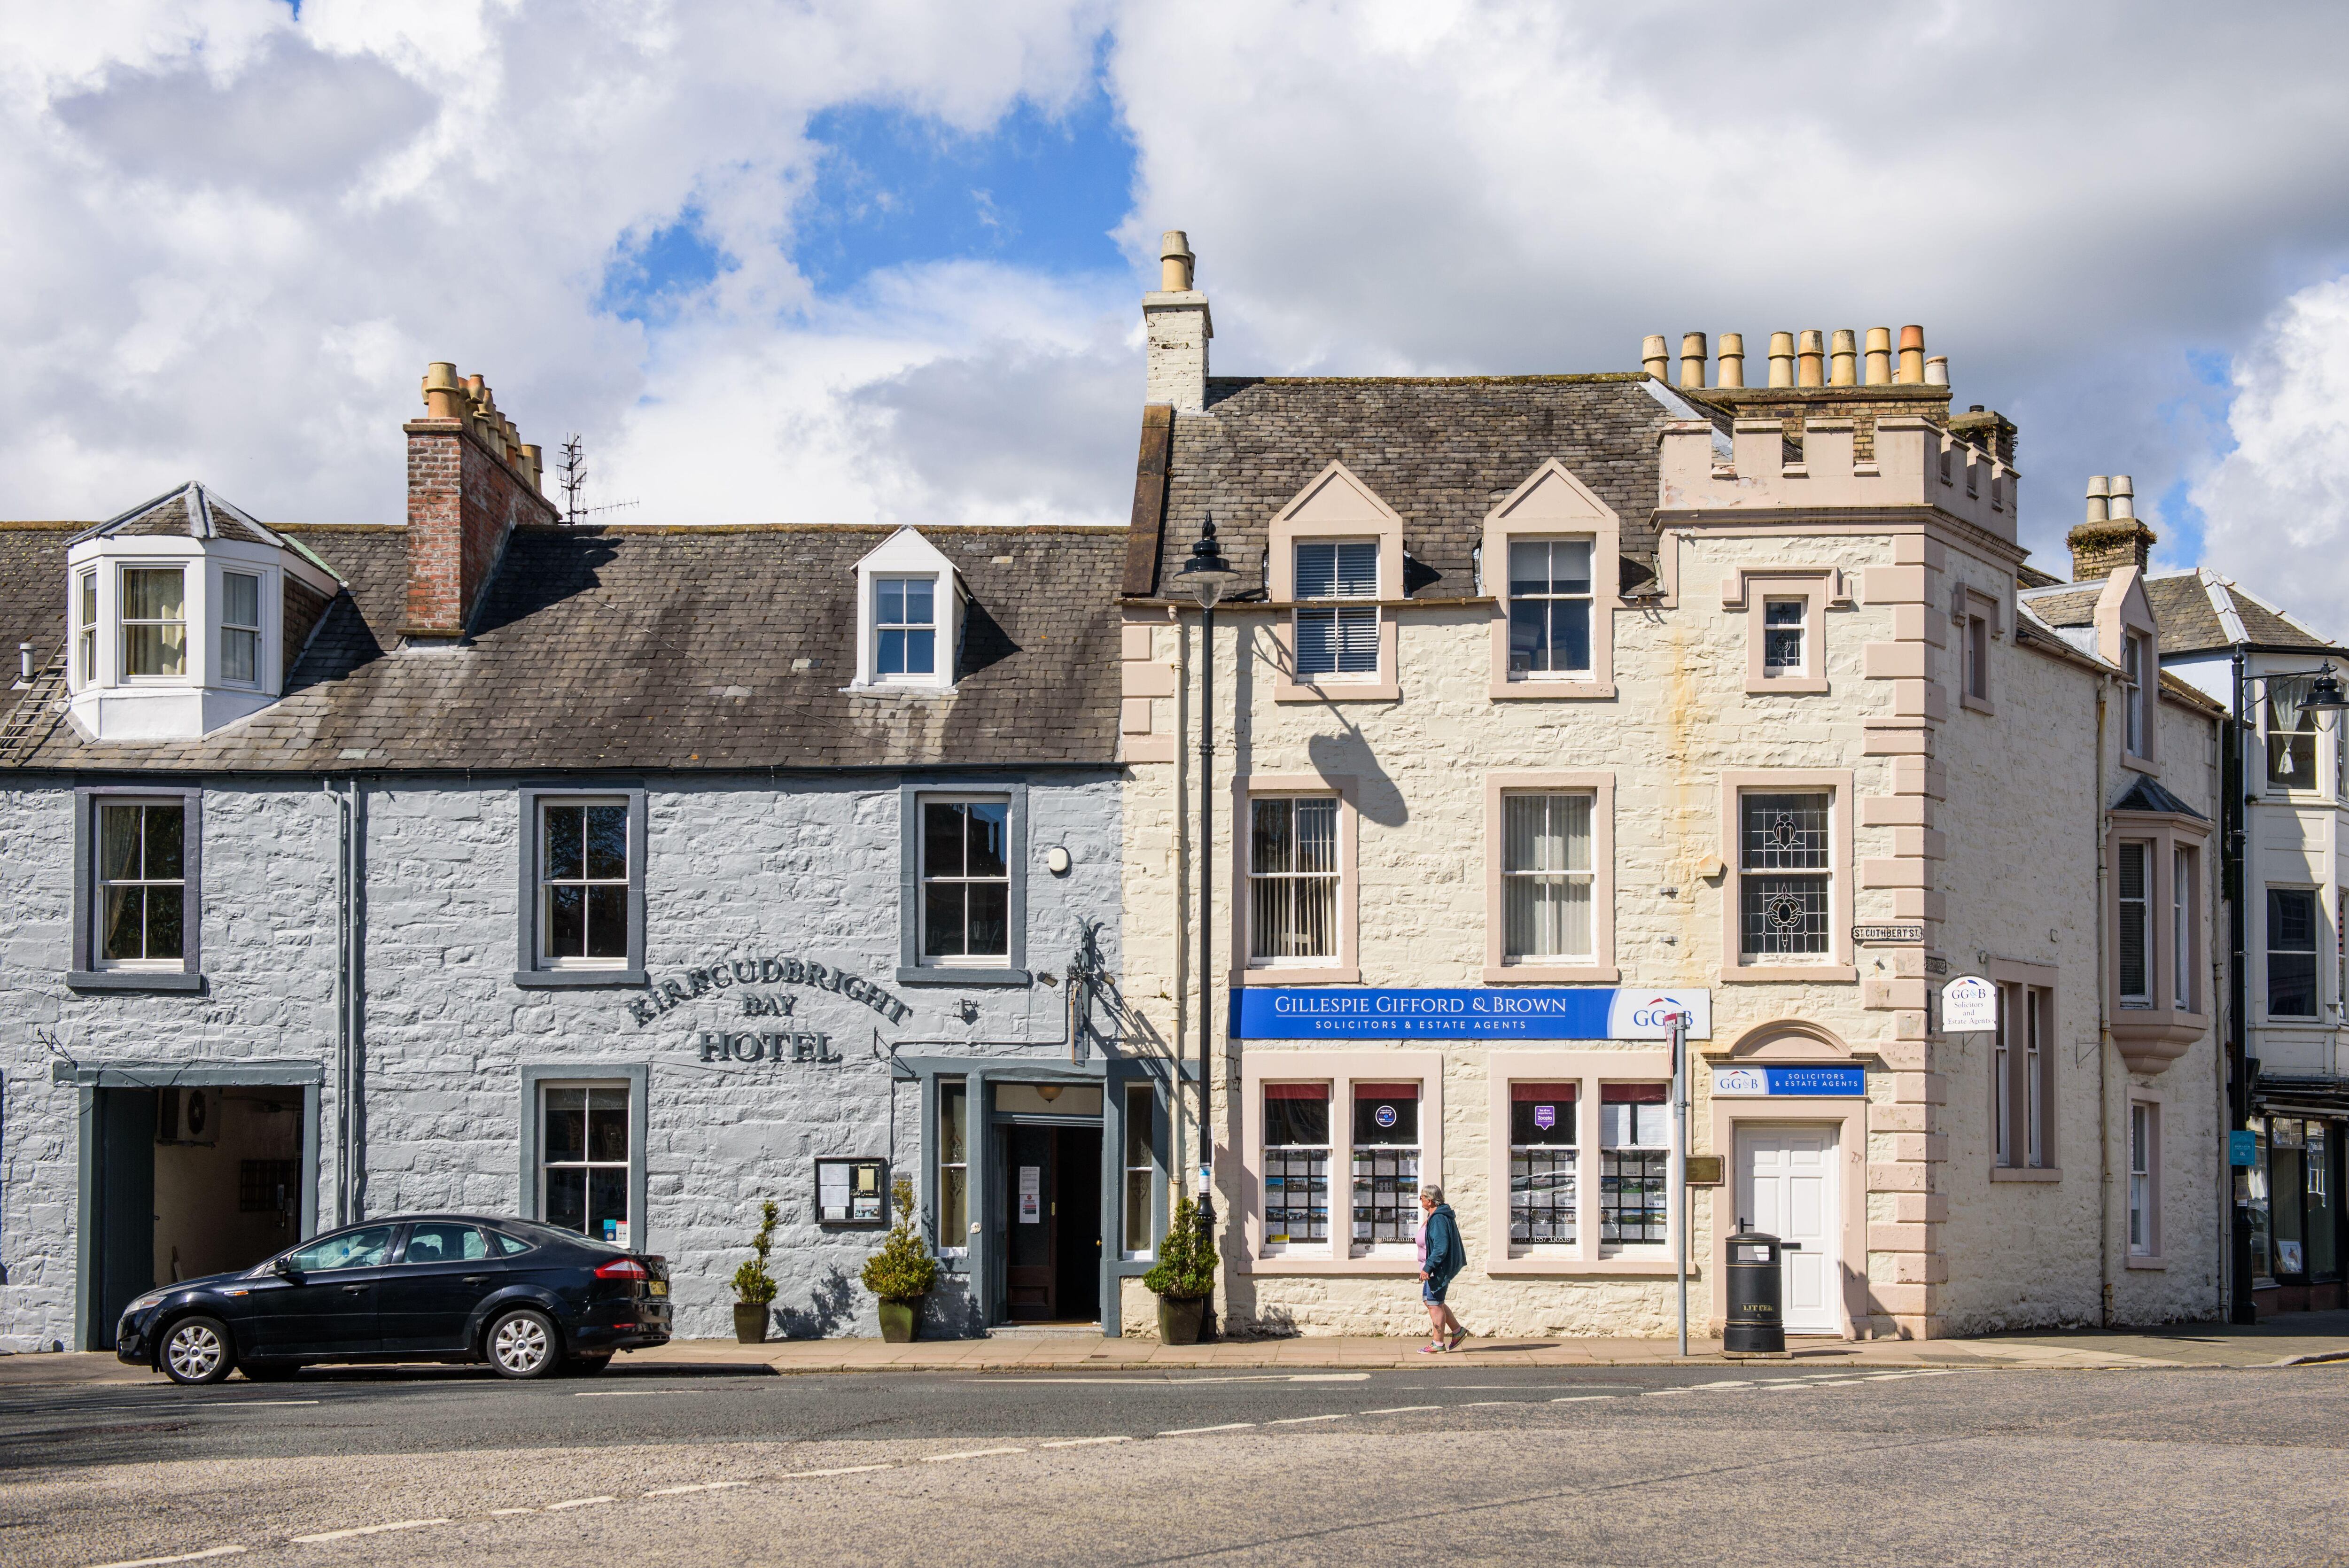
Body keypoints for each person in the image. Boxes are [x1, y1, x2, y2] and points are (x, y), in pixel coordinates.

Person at [1416, 1184, 1468, 1353]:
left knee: (1435, 1304)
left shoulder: (1438, 1219)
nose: (1421, 1200)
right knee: (1430, 1301)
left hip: (1437, 1269)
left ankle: (1438, 1343)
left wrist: (1428, 1268)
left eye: (1422, 1197)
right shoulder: (1435, 1216)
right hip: (1433, 1269)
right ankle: (1458, 1331)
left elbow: (1440, 1248)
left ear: (1430, 1201)